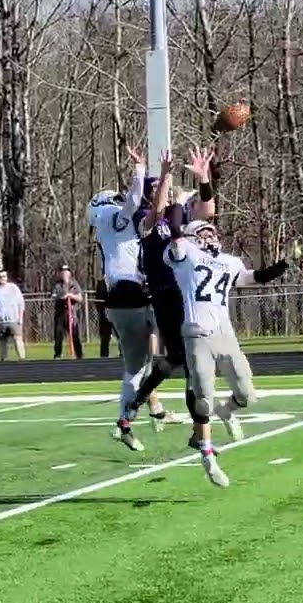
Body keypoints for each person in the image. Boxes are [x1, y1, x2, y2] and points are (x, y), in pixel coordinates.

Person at [165, 218, 301, 487]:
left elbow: (254, 278)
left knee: (248, 396)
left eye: (213, 231)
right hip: (196, 335)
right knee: (203, 398)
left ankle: (226, 411)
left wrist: (284, 263)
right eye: (204, 233)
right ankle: (207, 457)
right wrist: (175, 195)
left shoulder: (229, 261)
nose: (211, 236)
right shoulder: (185, 255)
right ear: (192, 237)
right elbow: (176, 230)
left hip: (225, 335)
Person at [112, 147, 212, 450]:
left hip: (188, 293)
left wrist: (204, 180)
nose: (162, 191)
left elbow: (207, 213)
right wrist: (166, 177)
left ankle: (144, 407)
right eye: (155, 188)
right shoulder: (145, 219)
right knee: (186, 361)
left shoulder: (176, 215)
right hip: (166, 294)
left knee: (187, 361)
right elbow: (155, 213)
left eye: (162, 187)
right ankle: (196, 431)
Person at [0, 269, 25, 361]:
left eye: (5, 276)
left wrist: (20, 317)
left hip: (13, 319)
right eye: (1, 277)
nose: (3, 278)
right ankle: (3, 359)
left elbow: (20, 302)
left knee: (17, 338)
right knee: (2, 341)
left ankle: (22, 358)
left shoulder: (13, 288)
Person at [50, 264, 85, 359]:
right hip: (61, 313)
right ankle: (58, 354)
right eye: (62, 271)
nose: (64, 273)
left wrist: (70, 295)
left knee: (75, 334)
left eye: (66, 271)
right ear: (60, 273)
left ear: (69, 273)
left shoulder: (74, 284)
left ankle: (79, 354)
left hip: (72, 313)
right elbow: (53, 296)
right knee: (58, 334)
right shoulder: (57, 285)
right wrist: (62, 297)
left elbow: (80, 298)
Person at [94, 278, 113, 358]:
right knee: (105, 336)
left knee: (121, 335)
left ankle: (123, 354)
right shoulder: (101, 283)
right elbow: (98, 300)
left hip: (118, 311)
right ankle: (104, 356)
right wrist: (103, 311)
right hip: (105, 313)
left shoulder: (119, 281)